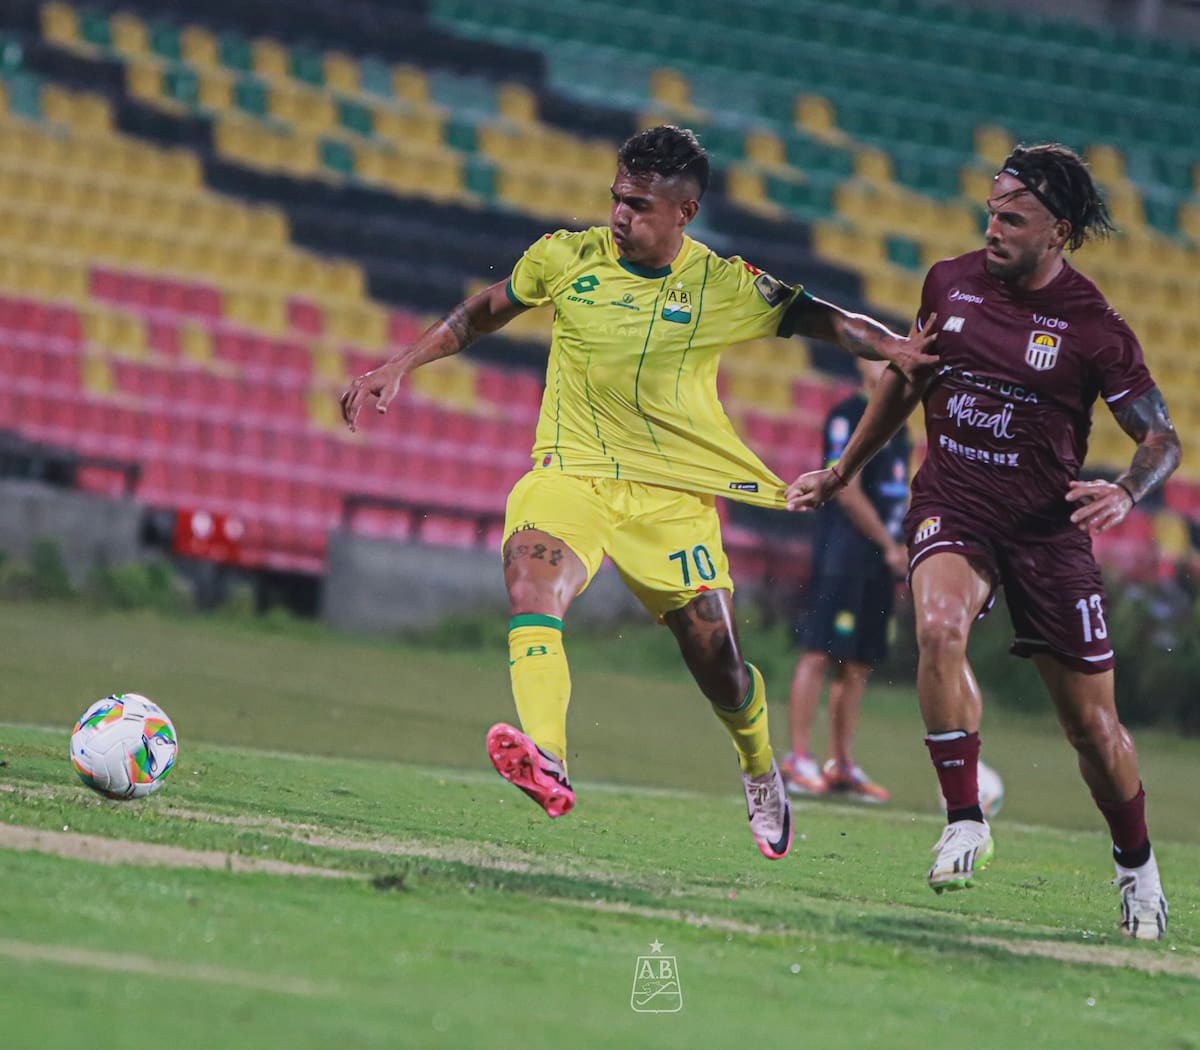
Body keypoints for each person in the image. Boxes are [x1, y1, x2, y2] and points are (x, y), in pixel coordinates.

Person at [340, 125, 936, 862]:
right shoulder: (566, 257)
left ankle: (760, 770)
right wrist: (401, 363)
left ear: (684, 213)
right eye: (617, 198)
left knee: (716, 658)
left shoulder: (722, 284)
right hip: (571, 475)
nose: (621, 215)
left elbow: (823, 319)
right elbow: (483, 311)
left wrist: (896, 348)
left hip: (671, 496)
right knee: (532, 583)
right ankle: (548, 759)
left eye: (641, 205)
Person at [787, 144, 1181, 937]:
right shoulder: (949, 283)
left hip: (1047, 532)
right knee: (937, 630)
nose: (992, 228)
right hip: (955, 502)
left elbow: (1161, 439)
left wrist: (1128, 489)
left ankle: (1137, 869)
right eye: (990, 212)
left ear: (1058, 232)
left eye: (1012, 217)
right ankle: (964, 815)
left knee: (1092, 732)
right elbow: (906, 380)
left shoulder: (1095, 328)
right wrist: (842, 471)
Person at [781, 357, 910, 802]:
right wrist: (889, 545)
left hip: (879, 564)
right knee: (819, 652)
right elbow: (847, 490)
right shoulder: (847, 415)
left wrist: (901, 545)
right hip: (844, 555)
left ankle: (841, 764)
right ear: (860, 363)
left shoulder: (900, 423)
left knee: (858, 664)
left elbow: (899, 492)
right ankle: (798, 759)